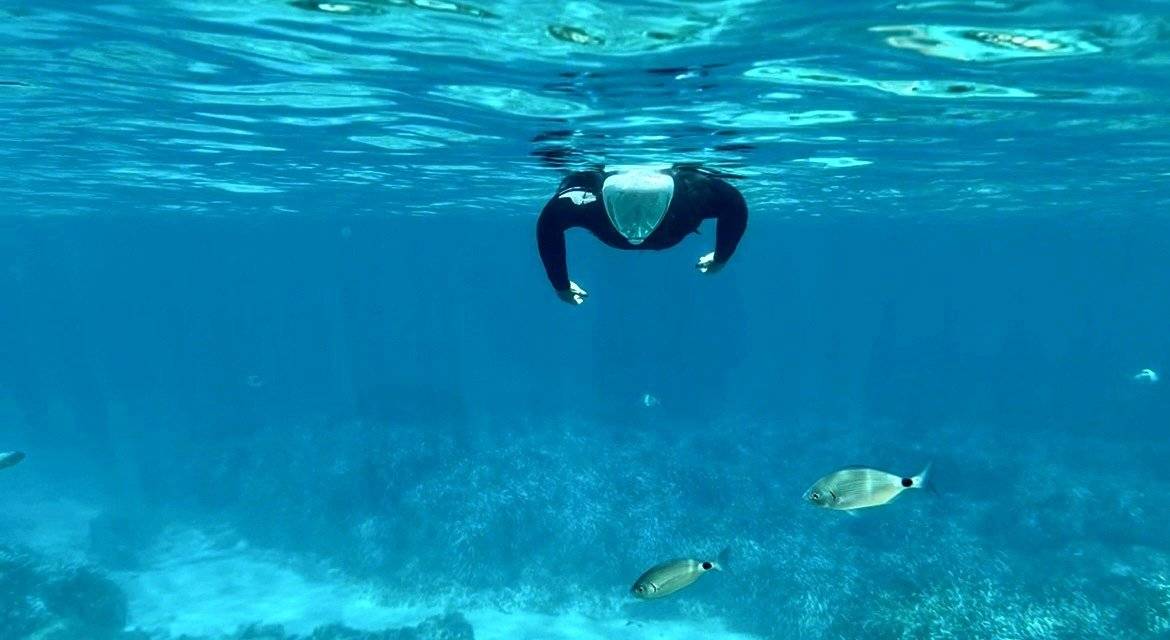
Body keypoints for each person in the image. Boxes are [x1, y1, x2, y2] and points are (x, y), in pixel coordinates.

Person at [536, 164, 748, 304]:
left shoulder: (584, 203)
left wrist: (561, 285)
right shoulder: (694, 196)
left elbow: (549, 223)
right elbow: (735, 204)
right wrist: (721, 258)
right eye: (627, 206)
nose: (637, 221)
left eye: (650, 205)